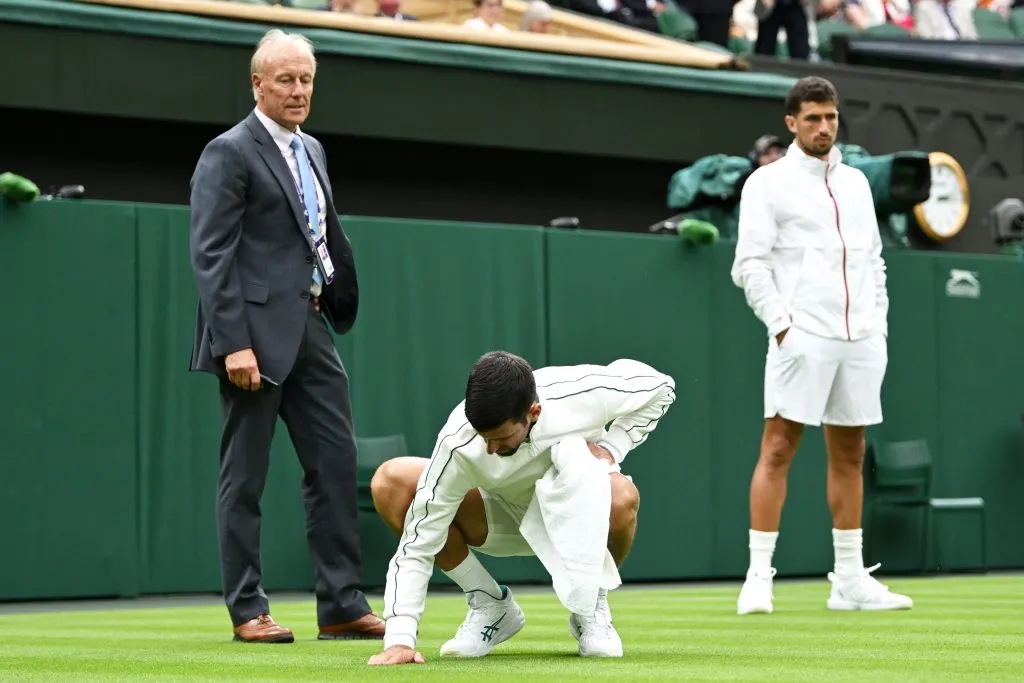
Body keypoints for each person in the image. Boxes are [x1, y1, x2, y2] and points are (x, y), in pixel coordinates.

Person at [188, 29, 383, 643]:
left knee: (334, 462)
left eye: (306, 80)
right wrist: (233, 342)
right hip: (251, 338)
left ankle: (342, 605)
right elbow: (211, 254)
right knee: (244, 477)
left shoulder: (313, 149)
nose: (298, 91)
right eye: (286, 80)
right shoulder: (229, 151)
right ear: (258, 84)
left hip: (311, 327)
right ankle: (248, 609)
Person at [730, 76, 913, 615]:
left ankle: (850, 580)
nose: (823, 127)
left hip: (860, 338)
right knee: (779, 447)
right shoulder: (767, 183)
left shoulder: (856, 182)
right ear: (792, 123)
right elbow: (750, 266)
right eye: (812, 118)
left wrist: (876, 322)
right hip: (801, 336)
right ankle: (759, 577)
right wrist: (782, 326)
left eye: (830, 117)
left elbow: (875, 259)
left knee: (851, 453)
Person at [366, 351, 676, 665]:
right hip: (499, 520)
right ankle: (490, 605)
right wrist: (399, 639)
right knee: (392, 482)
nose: (488, 448)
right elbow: (417, 544)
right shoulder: (458, 442)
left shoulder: (581, 393)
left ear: (534, 412)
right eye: (482, 435)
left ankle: (590, 605)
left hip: (581, 518)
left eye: (500, 438)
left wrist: (612, 447)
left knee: (621, 495)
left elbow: (661, 387)